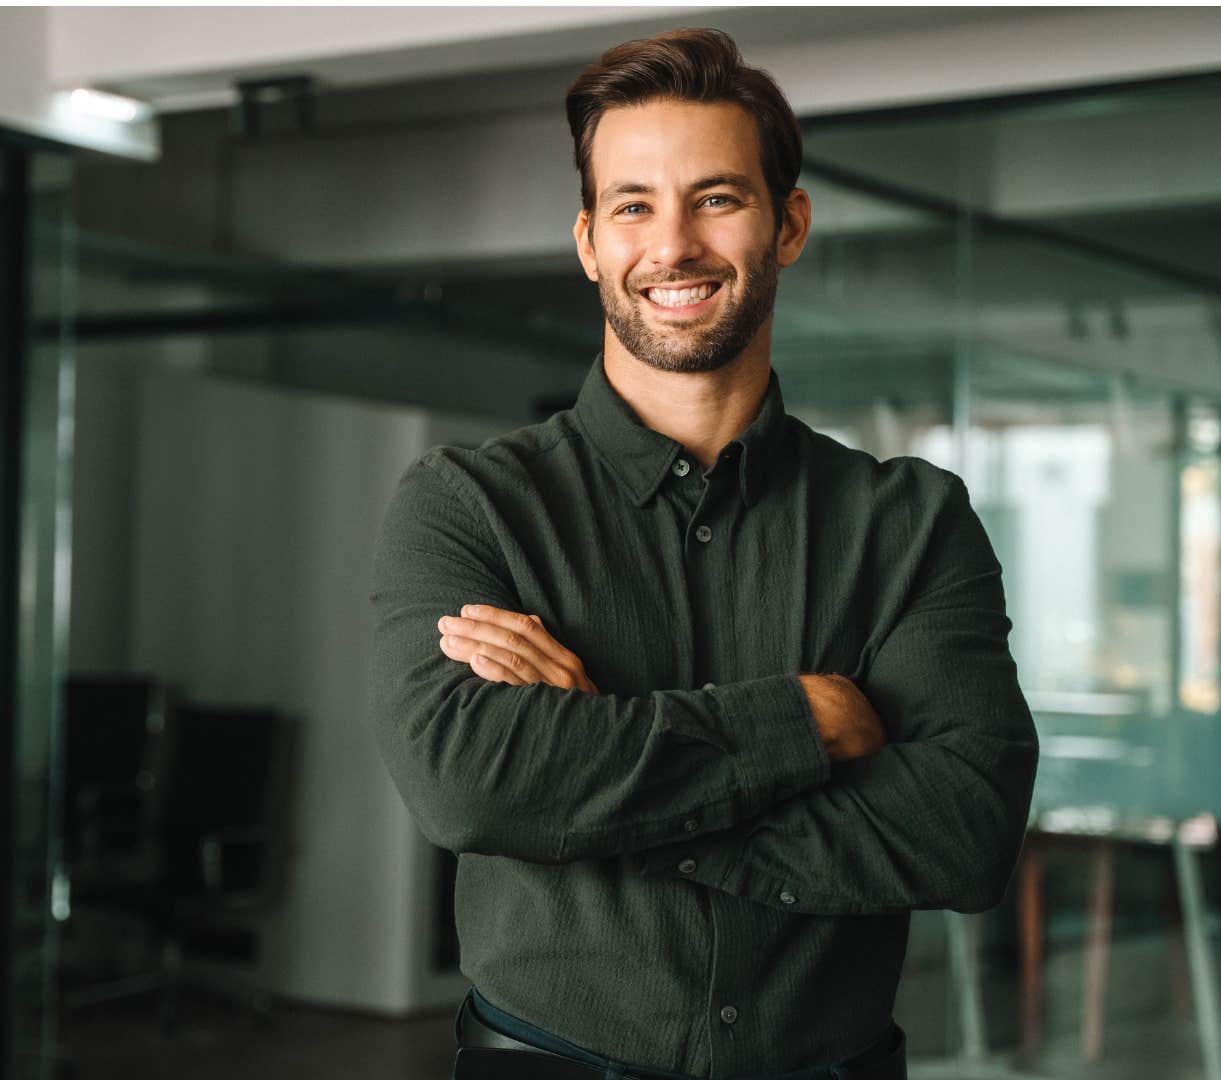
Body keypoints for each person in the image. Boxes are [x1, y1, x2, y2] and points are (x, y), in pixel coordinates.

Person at [366, 26, 1039, 1080]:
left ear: (788, 224)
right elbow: (470, 789)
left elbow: (965, 830)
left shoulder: (910, 523)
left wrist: (595, 778)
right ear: (590, 242)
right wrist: (802, 724)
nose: (672, 245)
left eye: (716, 198)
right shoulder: (469, 506)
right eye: (633, 205)